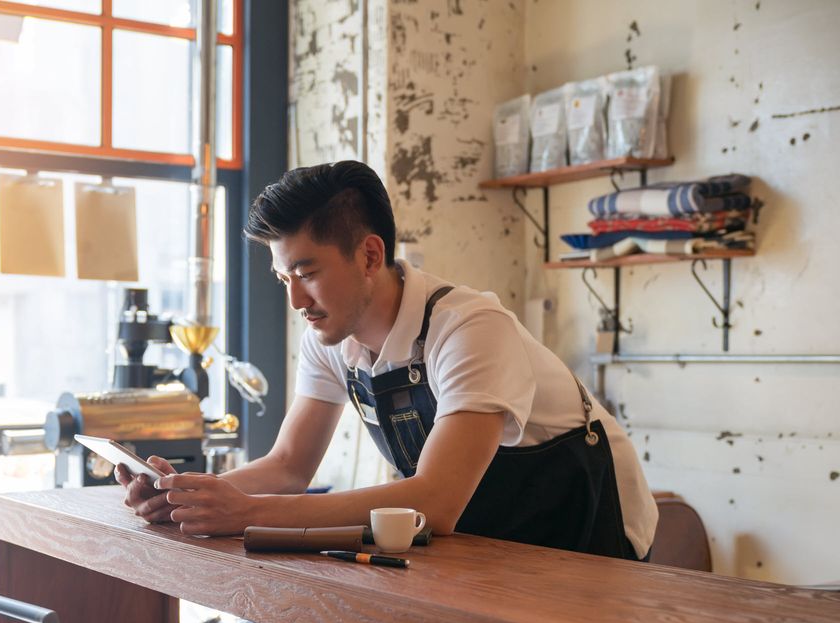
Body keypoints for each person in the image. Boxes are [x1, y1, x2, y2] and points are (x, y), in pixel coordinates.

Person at [116, 160, 657, 560]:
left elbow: (436, 501)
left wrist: (246, 511)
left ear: (370, 255)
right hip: (488, 543)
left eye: (306, 273)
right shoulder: (330, 338)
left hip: (592, 538)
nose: (296, 302)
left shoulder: (469, 327)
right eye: (283, 278)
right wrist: (189, 496)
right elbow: (288, 467)